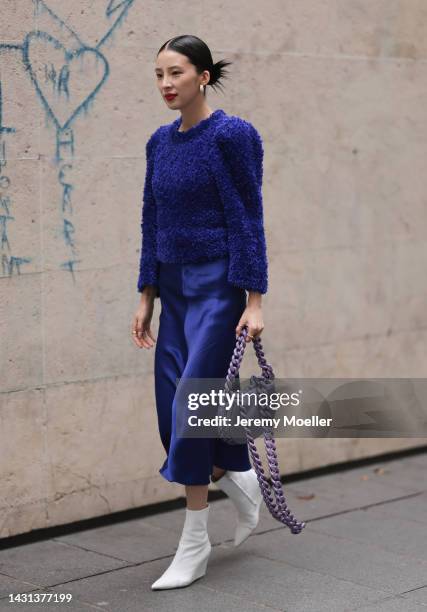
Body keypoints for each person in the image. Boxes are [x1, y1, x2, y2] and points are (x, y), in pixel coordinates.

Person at [132, 34, 269, 590]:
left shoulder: (233, 135)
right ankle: (237, 470)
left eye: (178, 73)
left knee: (193, 404)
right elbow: (150, 219)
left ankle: (194, 542)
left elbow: (249, 218)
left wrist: (254, 300)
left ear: (204, 76)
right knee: (173, 417)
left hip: (218, 288)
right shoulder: (158, 143)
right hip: (173, 291)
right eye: (160, 74)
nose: (167, 84)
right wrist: (146, 292)